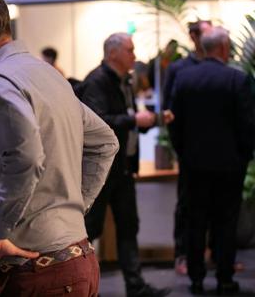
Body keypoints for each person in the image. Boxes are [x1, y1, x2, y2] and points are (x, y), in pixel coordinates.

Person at [0, 0, 119, 297]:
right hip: (78, 260)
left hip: (38, 271)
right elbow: (105, 142)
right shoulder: (45, 73)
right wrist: (73, 208)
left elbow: (26, 159)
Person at [80, 32, 172, 297]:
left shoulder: (125, 81)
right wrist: (135, 121)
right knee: (90, 229)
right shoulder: (96, 81)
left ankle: (135, 285)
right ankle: (85, 287)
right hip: (100, 171)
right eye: (130, 50)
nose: (135, 55)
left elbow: (127, 119)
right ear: (113, 54)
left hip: (123, 169)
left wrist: (150, 121)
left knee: (128, 225)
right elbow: (99, 123)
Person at [170, 26, 254, 295]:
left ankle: (196, 278)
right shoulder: (236, 80)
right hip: (229, 166)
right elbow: (247, 125)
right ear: (223, 48)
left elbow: (175, 125)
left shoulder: (184, 79)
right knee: (225, 222)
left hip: (194, 165)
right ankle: (224, 278)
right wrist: (243, 157)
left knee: (196, 221)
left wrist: (184, 153)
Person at [162, 20, 212, 275]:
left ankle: (214, 253)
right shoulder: (179, 69)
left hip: (217, 150)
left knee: (218, 205)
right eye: (205, 32)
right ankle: (182, 254)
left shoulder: (221, 67)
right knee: (187, 204)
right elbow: (169, 111)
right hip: (190, 149)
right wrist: (179, 145)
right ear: (193, 36)